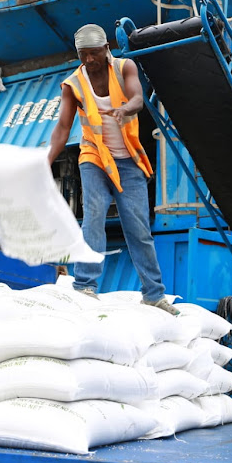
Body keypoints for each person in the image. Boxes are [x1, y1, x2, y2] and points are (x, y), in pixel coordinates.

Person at [47, 24, 179, 316]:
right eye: (84, 55)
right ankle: (85, 286)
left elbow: (137, 98)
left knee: (139, 229)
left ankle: (154, 295)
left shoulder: (124, 67)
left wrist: (125, 110)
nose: (89, 60)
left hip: (128, 160)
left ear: (106, 48)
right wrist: (45, 162)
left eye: (94, 53)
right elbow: (62, 129)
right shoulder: (73, 84)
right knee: (93, 217)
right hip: (94, 156)